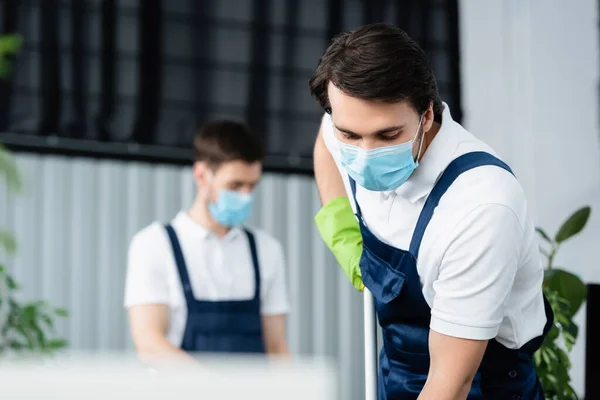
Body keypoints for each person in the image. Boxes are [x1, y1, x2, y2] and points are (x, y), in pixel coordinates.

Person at [310, 23, 553, 400]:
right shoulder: (345, 123)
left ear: (426, 114)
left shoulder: (481, 206)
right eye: (351, 136)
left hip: (478, 383)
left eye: (388, 136)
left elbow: (450, 384)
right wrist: (342, 234)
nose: (366, 153)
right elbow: (327, 142)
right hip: (398, 370)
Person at [124, 120, 291, 363]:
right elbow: (150, 344)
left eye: (251, 186)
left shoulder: (267, 250)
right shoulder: (153, 245)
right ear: (202, 175)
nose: (245, 195)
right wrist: (218, 390)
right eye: (235, 185)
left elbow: (276, 347)